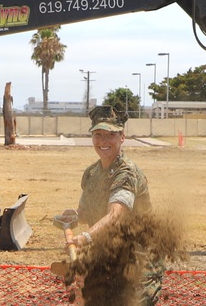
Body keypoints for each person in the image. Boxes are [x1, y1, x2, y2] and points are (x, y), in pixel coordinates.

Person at [59, 105, 164, 305]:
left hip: (138, 262)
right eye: (98, 134)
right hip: (106, 258)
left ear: (122, 137)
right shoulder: (92, 173)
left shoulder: (126, 172)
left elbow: (116, 215)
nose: (103, 141)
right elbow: (86, 212)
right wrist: (74, 215)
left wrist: (85, 237)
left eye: (110, 135)